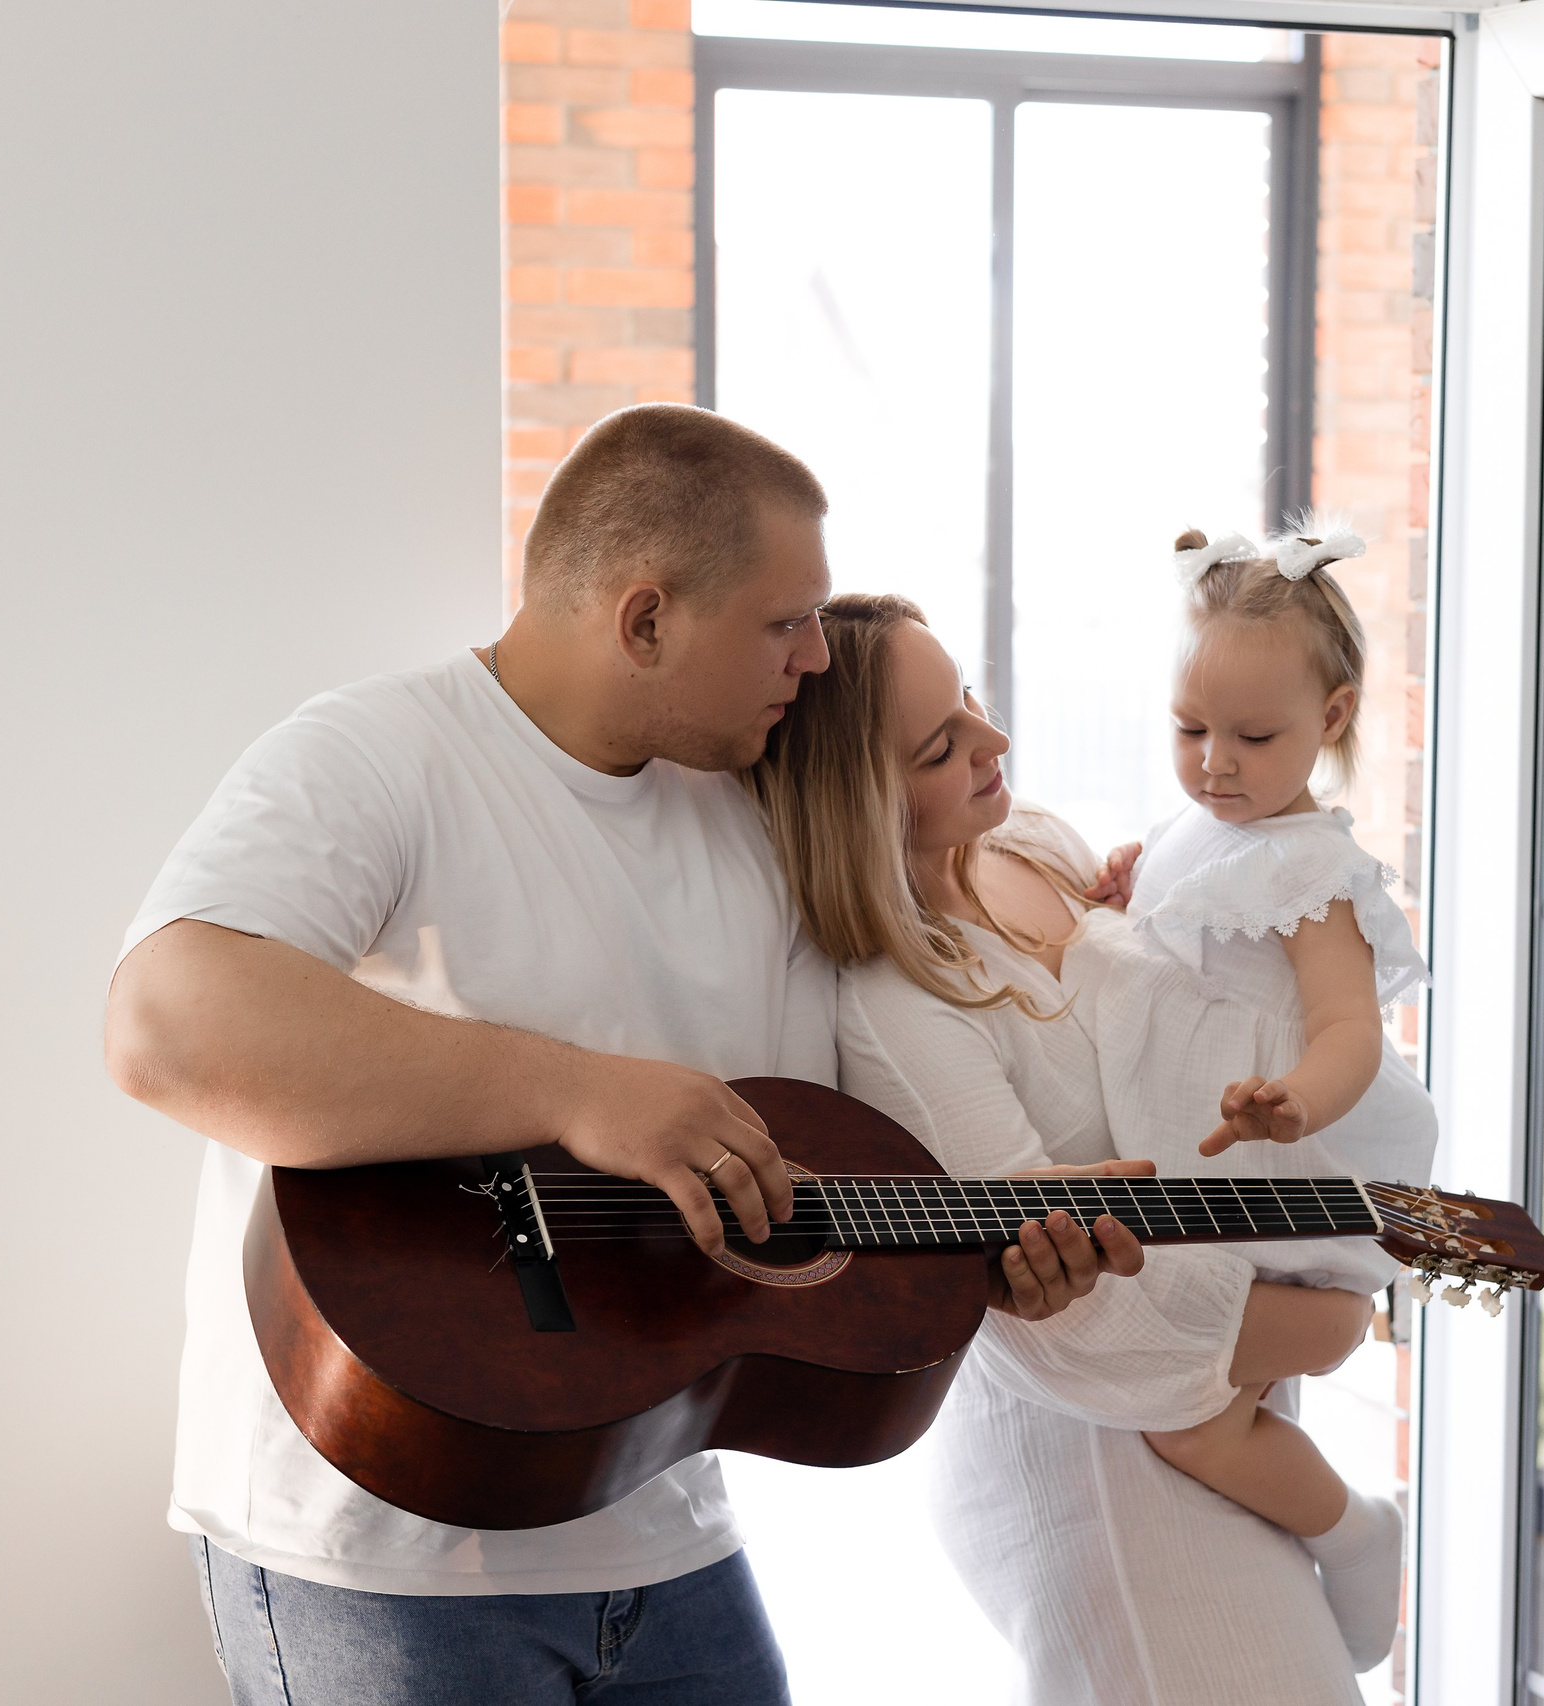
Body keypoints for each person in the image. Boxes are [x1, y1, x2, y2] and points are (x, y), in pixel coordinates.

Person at [104, 404, 1137, 1706]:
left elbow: (827, 1163)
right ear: (644, 620)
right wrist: (577, 1092)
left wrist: (988, 1255)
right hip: (379, 1546)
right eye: (782, 622)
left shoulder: (751, 820)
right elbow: (168, 1025)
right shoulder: (376, 755)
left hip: (659, 1518)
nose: (816, 658)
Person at [748, 590, 1388, 1705]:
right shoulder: (895, 1008)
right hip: (1104, 1451)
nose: (993, 743)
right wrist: (1323, 1322)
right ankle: (1359, 1529)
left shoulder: (1030, 840)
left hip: (1219, 1376)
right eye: (943, 744)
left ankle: (1354, 1528)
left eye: (974, 703)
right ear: (859, 802)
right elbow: (1071, 1299)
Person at [1075, 520, 1438, 1670]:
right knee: (1235, 1378)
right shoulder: (1203, 823)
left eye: (1251, 735)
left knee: (1189, 1419)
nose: (1214, 763)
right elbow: (1188, 918)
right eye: (1188, 730)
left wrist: (1296, 1099)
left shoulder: (1308, 867)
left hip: (1280, 1154)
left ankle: (1351, 1522)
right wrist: (1139, 883)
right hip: (1206, 1152)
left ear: (1330, 720)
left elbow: (1346, 1024)